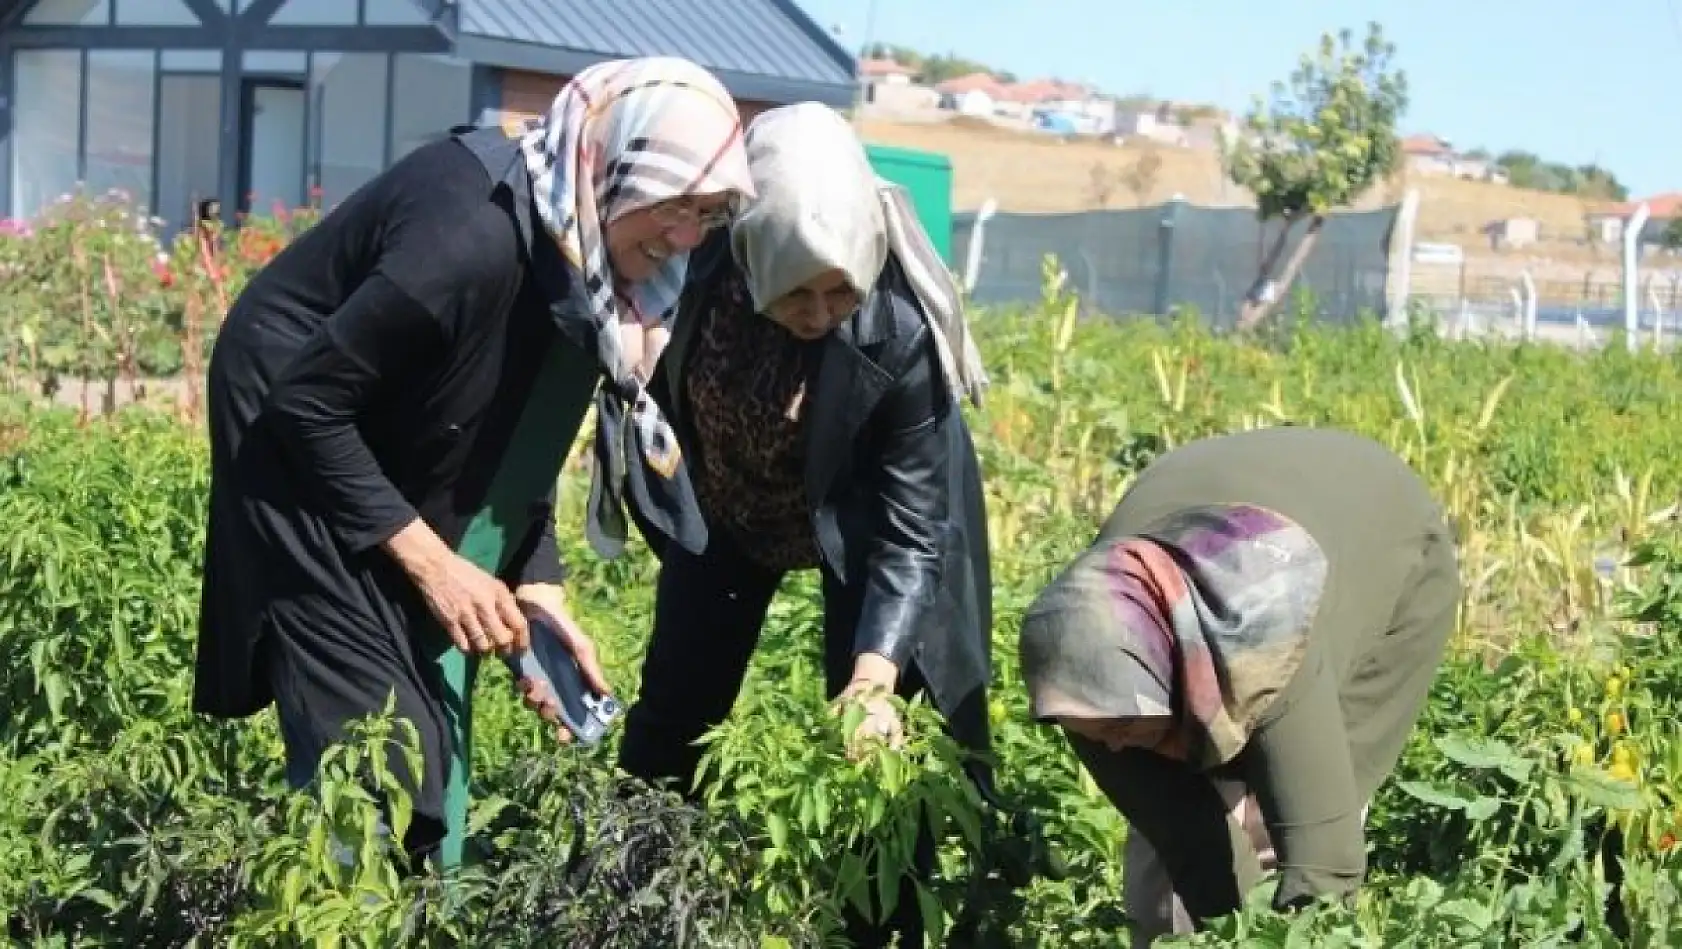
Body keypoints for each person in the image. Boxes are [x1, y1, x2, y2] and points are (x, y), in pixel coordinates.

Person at [192, 56, 756, 872]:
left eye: (707, 213)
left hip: (381, 412)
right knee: (379, 744)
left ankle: (423, 895)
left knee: (424, 693)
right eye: (674, 206)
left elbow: (514, 432)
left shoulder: (581, 245)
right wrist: (434, 563)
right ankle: (347, 904)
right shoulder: (470, 237)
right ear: (616, 166)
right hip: (287, 419)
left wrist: (539, 589)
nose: (686, 236)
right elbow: (309, 402)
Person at [614, 102, 994, 948]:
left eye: (839, 289)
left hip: (868, 524)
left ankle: (880, 925)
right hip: (726, 507)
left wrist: (871, 680)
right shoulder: (703, 264)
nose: (821, 311)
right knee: (674, 717)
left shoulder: (899, 333)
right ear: (752, 255)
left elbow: (909, 538)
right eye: (797, 292)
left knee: (882, 743)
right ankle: (630, 903)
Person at [1017, 425, 1461, 946]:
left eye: (1117, 725)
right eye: (1094, 730)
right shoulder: (1086, 659)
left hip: (1385, 542)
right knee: (1164, 886)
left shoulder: (1270, 645)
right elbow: (1187, 839)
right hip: (1218, 542)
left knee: (1278, 833)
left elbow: (1323, 865)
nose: (1111, 744)